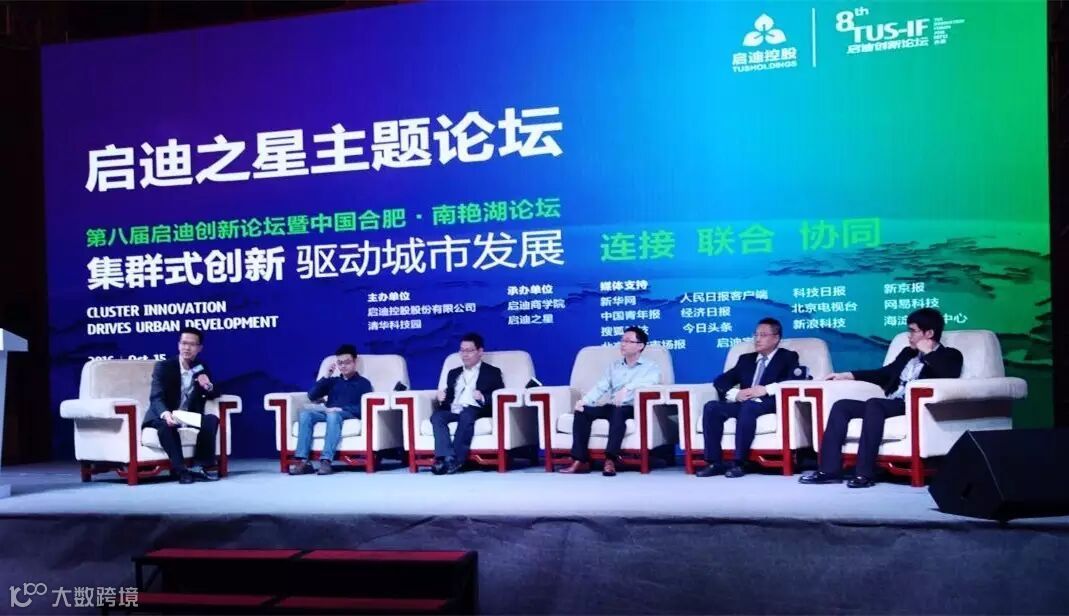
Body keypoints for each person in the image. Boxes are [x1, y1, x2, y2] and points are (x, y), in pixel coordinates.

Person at [800, 308, 963, 488]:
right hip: (892, 403)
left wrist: (929, 354)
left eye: (913, 331)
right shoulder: (908, 353)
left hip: (914, 406)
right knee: (842, 406)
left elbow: (948, 374)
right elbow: (884, 374)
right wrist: (849, 375)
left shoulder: (951, 355)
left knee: (875, 404)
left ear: (929, 333)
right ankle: (828, 470)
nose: (909, 336)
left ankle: (864, 474)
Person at [696, 318, 799, 478]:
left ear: (776, 338)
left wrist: (765, 389)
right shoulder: (746, 359)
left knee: (749, 407)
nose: (757, 339)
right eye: (756, 335)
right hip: (744, 403)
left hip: (769, 403)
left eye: (763, 335)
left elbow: (794, 380)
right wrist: (735, 394)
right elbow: (721, 381)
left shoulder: (787, 357)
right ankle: (714, 462)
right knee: (712, 407)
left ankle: (740, 462)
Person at [560, 326, 662, 477]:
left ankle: (610, 459)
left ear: (640, 346)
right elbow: (601, 387)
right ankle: (580, 460)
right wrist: (584, 401)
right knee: (582, 411)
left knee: (618, 413)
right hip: (613, 406)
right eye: (622, 340)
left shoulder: (650, 367)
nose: (623, 344)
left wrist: (627, 388)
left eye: (628, 341)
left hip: (633, 408)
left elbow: (652, 383)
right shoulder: (614, 366)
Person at [144, 327, 222, 484]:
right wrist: (166, 414)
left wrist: (208, 386)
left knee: (211, 420)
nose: (187, 348)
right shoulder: (164, 366)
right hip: (164, 414)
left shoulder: (200, 367)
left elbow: (214, 393)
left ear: (199, 348)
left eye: (192, 344)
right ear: (178, 345)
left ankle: (199, 467)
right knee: (166, 426)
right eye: (184, 343)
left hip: (186, 415)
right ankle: (182, 471)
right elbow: (156, 397)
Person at [288, 344, 373, 476]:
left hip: (347, 413)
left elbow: (363, 408)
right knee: (306, 415)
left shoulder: (364, 383)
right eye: (340, 363)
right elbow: (311, 395)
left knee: (333, 415)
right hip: (328, 412)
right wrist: (326, 376)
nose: (343, 366)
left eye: (347, 362)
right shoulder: (333, 381)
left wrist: (341, 408)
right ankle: (303, 461)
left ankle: (326, 460)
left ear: (354, 362)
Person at [430, 332, 505, 475]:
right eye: (462, 350)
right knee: (437, 417)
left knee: (467, 414)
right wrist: (442, 398)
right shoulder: (453, 373)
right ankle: (444, 457)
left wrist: (482, 397)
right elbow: (449, 397)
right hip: (454, 409)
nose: (465, 355)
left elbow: (499, 396)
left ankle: (456, 460)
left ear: (480, 352)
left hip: (476, 409)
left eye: (469, 351)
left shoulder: (492, 372)